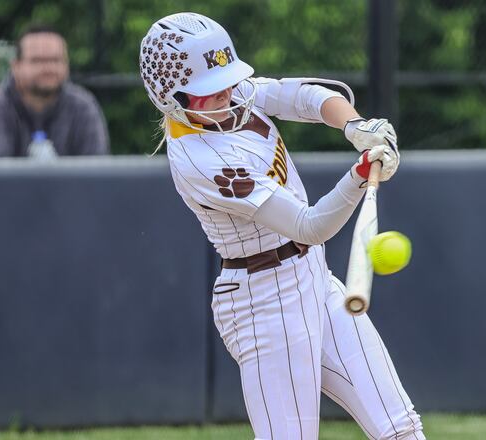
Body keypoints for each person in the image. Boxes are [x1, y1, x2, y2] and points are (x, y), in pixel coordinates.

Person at [140, 13, 426, 440]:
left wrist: (355, 125)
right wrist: (359, 174)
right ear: (170, 96)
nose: (226, 95)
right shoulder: (201, 159)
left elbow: (304, 97)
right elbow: (308, 226)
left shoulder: (232, 93)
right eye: (209, 93)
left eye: (225, 82)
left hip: (312, 276)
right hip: (263, 303)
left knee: (399, 427)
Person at [0, 25, 109, 158]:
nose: (48, 68)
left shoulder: (83, 107)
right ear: (16, 66)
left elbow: (96, 181)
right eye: (38, 61)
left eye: (56, 60)